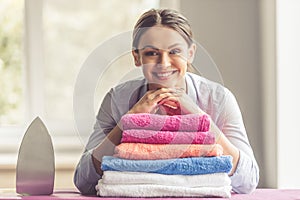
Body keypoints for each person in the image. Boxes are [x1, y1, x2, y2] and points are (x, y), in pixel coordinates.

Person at [74, 8, 259, 195]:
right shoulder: (117, 100)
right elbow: (83, 180)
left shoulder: (219, 100)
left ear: (190, 54)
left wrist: (201, 121)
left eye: (175, 51)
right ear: (137, 57)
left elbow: (248, 180)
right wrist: (127, 122)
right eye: (152, 53)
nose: (164, 63)